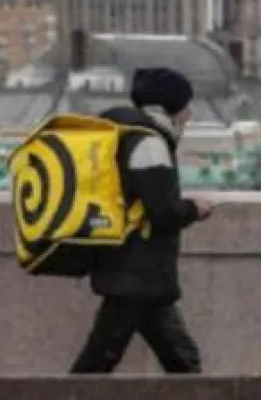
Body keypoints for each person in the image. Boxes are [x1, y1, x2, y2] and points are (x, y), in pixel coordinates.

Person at [70, 66, 216, 374]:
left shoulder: (123, 133)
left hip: (135, 270)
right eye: (186, 105)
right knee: (99, 361)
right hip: (137, 271)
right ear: (172, 106)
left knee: (180, 360)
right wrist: (195, 208)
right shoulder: (149, 143)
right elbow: (162, 212)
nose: (189, 114)